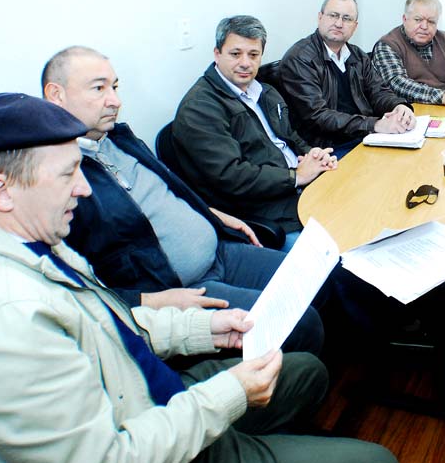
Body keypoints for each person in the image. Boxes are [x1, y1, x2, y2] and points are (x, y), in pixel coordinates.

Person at [0, 92, 399, 463]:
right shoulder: (2, 322)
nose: (84, 188)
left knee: (308, 372)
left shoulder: (32, 243)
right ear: (0, 192)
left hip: (145, 392)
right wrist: (230, 395)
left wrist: (201, 329)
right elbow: (109, 462)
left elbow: (108, 325)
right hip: (154, 447)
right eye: (68, 174)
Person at [41, 46, 323, 355]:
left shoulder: (119, 139)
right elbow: (75, 291)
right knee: (301, 322)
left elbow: (170, 191)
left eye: (115, 87)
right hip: (180, 288)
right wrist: (149, 301)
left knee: (316, 276)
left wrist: (213, 214)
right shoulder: (55, 178)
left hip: (221, 250)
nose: (115, 101)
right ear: (56, 95)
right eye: (99, 89)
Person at [172, 16, 338, 252]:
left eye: (253, 55)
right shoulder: (199, 108)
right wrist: (296, 176)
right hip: (265, 213)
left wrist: (313, 156)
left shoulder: (265, 91)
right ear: (217, 54)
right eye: (235, 54)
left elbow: (290, 137)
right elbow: (232, 176)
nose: (245, 63)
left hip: (300, 191)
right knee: (333, 257)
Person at [276, 0, 416, 156]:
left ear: (355, 26)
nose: (339, 23)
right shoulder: (300, 58)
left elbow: (378, 91)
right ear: (320, 17)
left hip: (364, 137)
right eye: (333, 15)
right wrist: (375, 125)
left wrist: (399, 106)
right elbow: (317, 116)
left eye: (347, 18)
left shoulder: (357, 55)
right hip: (325, 149)